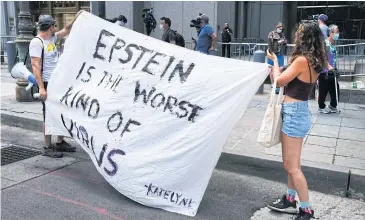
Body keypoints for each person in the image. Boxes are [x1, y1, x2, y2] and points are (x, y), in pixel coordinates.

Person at [266, 20, 327, 220]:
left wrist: (274, 63)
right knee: (293, 163)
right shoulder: (316, 61)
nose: (296, 37)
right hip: (299, 111)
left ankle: (306, 210)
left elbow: (278, 81)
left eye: (300, 34)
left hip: (293, 113)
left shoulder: (301, 60)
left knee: (291, 166)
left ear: (304, 38)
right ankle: (290, 199)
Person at [30, 12, 84, 158]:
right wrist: (41, 87)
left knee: (60, 111)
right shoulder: (37, 42)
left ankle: (60, 142)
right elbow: (35, 66)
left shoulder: (52, 38)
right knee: (47, 115)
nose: (56, 27)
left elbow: (66, 30)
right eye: (54, 25)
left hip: (57, 82)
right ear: (49, 27)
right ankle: (47, 146)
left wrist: (77, 17)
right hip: (46, 83)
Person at [318, 24, 340, 114]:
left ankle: (333, 106)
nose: (338, 34)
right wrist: (329, 67)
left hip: (332, 71)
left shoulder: (332, 44)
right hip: (325, 72)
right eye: (336, 32)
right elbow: (322, 58)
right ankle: (321, 107)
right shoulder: (326, 44)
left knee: (335, 89)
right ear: (330, 33)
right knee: (323, 90)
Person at [267, 22, 287, 93]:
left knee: (280, 68)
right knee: (272, 69)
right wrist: (271, 52)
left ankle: (277, 83)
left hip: (280, 53)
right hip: (272, 53)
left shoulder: (282, 34)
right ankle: (273, 83)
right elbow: (270, 43)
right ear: (276, 27)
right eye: (279, 28)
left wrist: (284, 42)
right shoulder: (271, 33)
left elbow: (285, 42)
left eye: (281, 29)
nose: (280, 30)